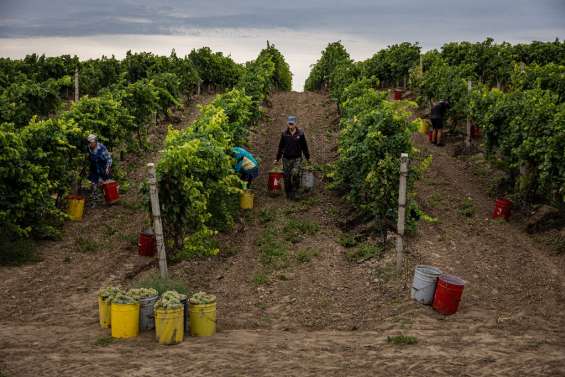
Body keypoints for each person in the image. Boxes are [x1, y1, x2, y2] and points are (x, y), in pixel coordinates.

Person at [274, 115, 310, 200]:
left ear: (295, 124)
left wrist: (308, 158)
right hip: (286, 158)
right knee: (286, 177)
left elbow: (304, 147)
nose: (291, 125)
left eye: (292, 123)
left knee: (295, 173)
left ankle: (296, 191)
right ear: (287, 123)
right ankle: (288, 193)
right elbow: (281, 147)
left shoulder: (300, 134)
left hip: (297, 158)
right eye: (289, 123)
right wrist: (277, 158)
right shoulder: (284, 134)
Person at [87, 134, 112, 203]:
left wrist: (107, 167)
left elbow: (109, 158)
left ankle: (108, 199)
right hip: (94, 168)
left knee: (105, 184)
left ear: (95, 142)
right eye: (89, 142)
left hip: (103, 167)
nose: (90, 144)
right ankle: (95, 200)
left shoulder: (102, 148)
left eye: (91, 142)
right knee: (93, 184)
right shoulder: (89, 148)